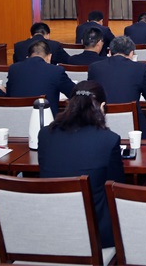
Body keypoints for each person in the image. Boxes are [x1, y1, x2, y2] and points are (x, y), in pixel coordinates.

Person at [38, 81, 125, 249]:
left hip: (51, 228)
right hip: (96, 235)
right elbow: (117, 186)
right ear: (102, 107)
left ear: (69, 104)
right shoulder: (109, 140)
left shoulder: (45, 135)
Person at [88, 36, 146, 139]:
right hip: (133, 129)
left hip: (100, 125)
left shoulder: (94, 68)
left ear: (110, 52)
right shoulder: (140, 68)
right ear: (131, 53)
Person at [7, 40, 76, 116]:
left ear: (28, 57)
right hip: (46, 120)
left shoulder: (13, 69)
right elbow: (74, 93)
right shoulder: (56, 71)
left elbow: (9, 95)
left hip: (16, 118)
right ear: (49, 57)